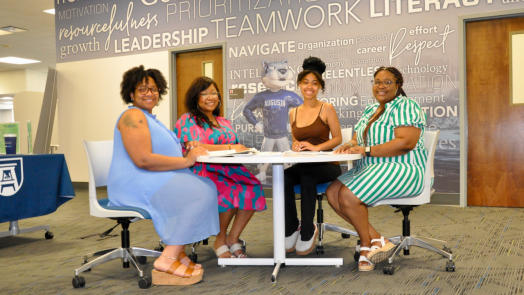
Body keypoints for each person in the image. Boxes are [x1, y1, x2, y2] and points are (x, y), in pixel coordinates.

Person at [107, 66, 219, 286]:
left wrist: (187, 150)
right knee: (202, 191)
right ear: (131, 92)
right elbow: (143, 160)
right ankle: (167, 258)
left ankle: (177, 253)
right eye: (142, 89)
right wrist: (187, 161)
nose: (149, 93)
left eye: (154, 89)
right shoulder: (132, 115)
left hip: (150, 177)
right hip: (136, 181)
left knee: (201, 185)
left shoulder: (149, 118)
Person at [326, 66, 427, 271]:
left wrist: (367, 149)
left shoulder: (406, 105)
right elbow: (358, 135)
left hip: (402, 168)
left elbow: (405, 143)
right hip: (371, 167)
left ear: (398, 85)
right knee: (332, 192)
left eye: (387, 82)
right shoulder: (371, 109)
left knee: (347, 196)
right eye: (377, 82)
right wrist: (350, 143)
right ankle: (377, 240)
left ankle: (365, 245)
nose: (381, 86)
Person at [174, 76, 267, 259]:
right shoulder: (188, 119)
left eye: (214, 93)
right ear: (196, 98)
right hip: (202, 171)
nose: (211, 97)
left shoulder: (223, 121)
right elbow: (195, 146)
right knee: (231, 188)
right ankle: (220, 239)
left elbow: (236, 145)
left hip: (228, 168)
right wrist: (230, 148)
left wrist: (243, 149)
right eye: (205, 93)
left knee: (252, 186)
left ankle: (233, 238)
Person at [284, 57, 343, 255]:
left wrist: (317, 148)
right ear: (300, 84)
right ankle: (292, 226)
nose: (309, 87)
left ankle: (309, 230)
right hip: (305, 163)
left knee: (307, 178)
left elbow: (337, 139)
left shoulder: (326, 108)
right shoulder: (293, 112)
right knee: (283, 177)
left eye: (314, 83)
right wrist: (296, 144)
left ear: (320, 87)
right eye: (306, 82)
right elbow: (295, 139)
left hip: (327, 163)